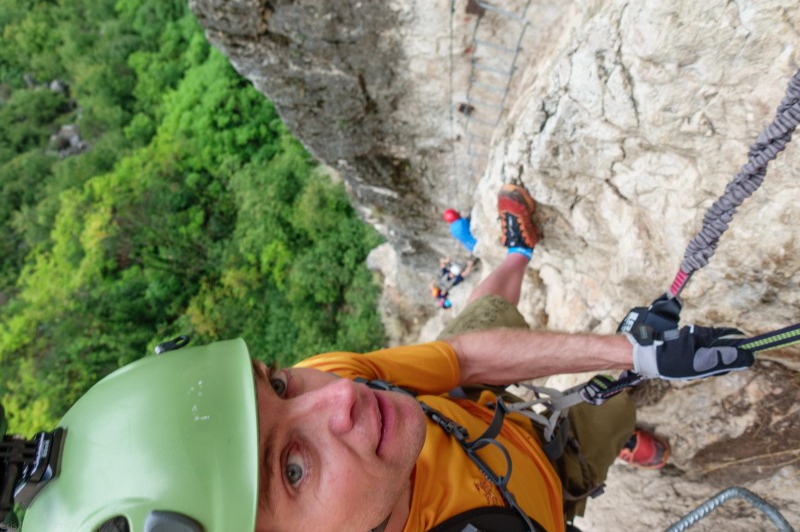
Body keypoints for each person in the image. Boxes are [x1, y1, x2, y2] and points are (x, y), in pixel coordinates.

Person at [5, 185, 756, 532]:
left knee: (500, 315)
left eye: (276, 379)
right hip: (543, 482)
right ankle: (614, 439)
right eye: (292, 468)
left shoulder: (330, 381)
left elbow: (460, 358)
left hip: (510, 434)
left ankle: (520, 251)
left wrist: (633, 347)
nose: (336, 398)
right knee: (605, 413)